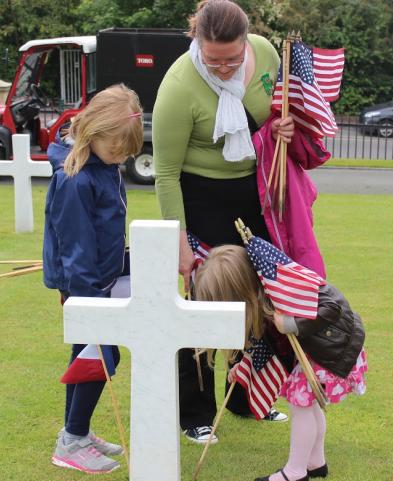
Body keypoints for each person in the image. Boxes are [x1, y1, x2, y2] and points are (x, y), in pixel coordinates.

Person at [152, 0, 295, 443]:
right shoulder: (178, 86)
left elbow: (278, 110)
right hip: (201, 196)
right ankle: (195, 412)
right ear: (196, 40)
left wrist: (283, 127)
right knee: (204, 300)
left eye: (233, 58)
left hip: (255, 192)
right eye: (214, 60)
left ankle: (247, 397)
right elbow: (165, 173)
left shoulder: (266, 53)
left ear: (246, 41)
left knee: (260, 296)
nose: (226, 67)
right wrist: (178, 240)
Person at [195, 245, 367, 481]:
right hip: (325, 352)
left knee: (302, 407)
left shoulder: (286, 290)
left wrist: (292, 323)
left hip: (334, 350)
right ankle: (315, 461)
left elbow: (333, 306)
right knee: (309, 406)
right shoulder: (263, 298)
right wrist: (244, 366)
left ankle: (296, 471)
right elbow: (266, 343)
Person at [42, 84, 143, 474]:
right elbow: (76, 245)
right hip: (84, 285)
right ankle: (71, 440)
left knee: (88, 355)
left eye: (126, 153)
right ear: (93, 132)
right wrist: (87, 300)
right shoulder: (76, 180)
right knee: (100, 355)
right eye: (117, 150)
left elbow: (104, 229)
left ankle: (75, 434)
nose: (121, 158)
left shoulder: (103, 166)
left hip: (102, 277)